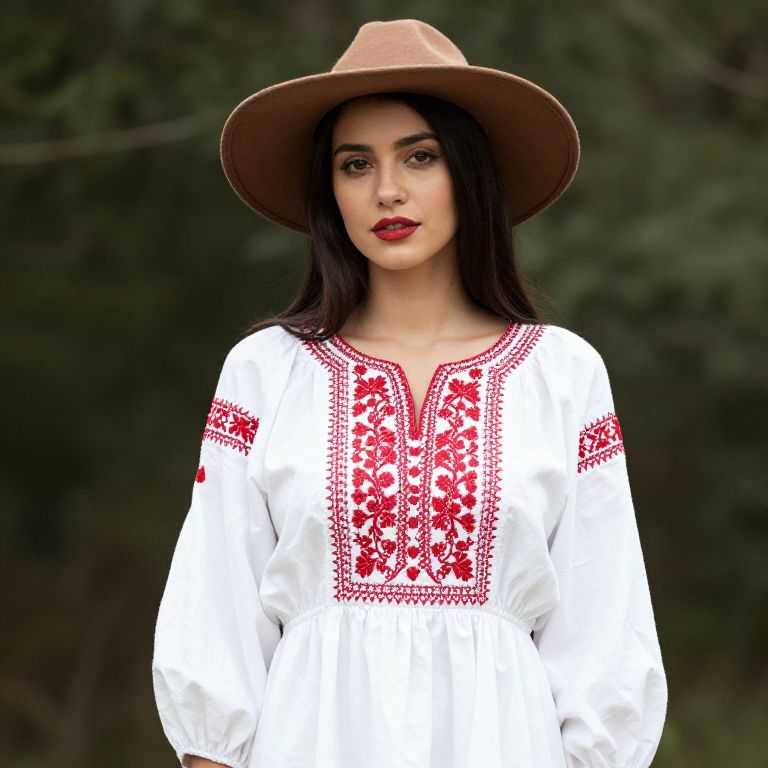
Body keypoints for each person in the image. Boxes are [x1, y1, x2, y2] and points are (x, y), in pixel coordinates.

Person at [151, 19, 668, 768]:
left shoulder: (562, 375)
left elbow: (605, 630)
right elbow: (215, 612)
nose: (386, 190)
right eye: (354, 164)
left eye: (419, 156)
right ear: (329, 190)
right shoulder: (266, 372)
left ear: (470, 171)